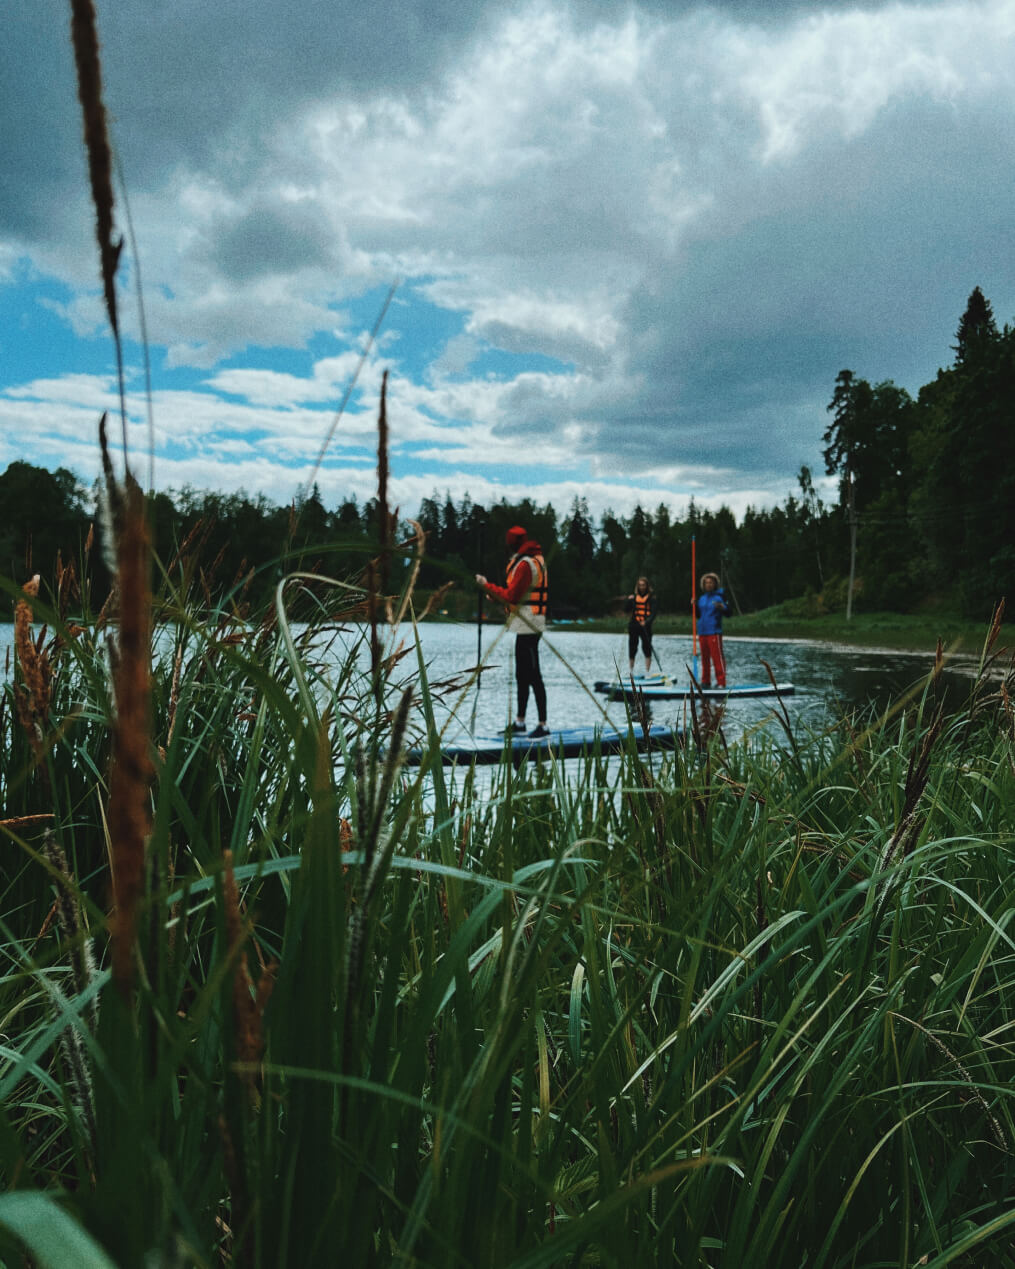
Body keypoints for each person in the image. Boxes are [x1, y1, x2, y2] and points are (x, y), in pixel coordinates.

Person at [476, 525, 550, 737]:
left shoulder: (526, 564)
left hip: (530, 625)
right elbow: (512, 595)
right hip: (524, 624)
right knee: (522, 674)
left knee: (534, 675)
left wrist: (486, 585)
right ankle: (520, 722)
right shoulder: (531, 560)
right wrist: (493, 594)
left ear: (512, 544)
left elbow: (512, 597)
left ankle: (543, 725)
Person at [694, 572, 731, 688]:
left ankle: (721, 682)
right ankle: (705, 681)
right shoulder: (701, 598)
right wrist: (694, 605)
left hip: (714, 632)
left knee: (717, 658)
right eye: (706, 583)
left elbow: (729, 612)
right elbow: (698, 615)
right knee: (704, 658)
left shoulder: (719, 597)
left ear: (715, 584)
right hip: (702, 632)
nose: (708, 585)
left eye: (711, 582)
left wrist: (722, 607)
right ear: (703, 585)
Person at [625, 576, 657, 676]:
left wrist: (646, 622)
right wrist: (628, 600)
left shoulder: (652, 598)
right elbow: (626, 610)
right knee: (632, 647)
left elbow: (653, 614)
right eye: (640, 585)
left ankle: (647, 671)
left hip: (645, 626)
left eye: (643, 585)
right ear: (637, 586)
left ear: (647, 586)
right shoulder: (634, 598)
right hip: (634, 625)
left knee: (646, 648)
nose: (641, 587)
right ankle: (631, 671)